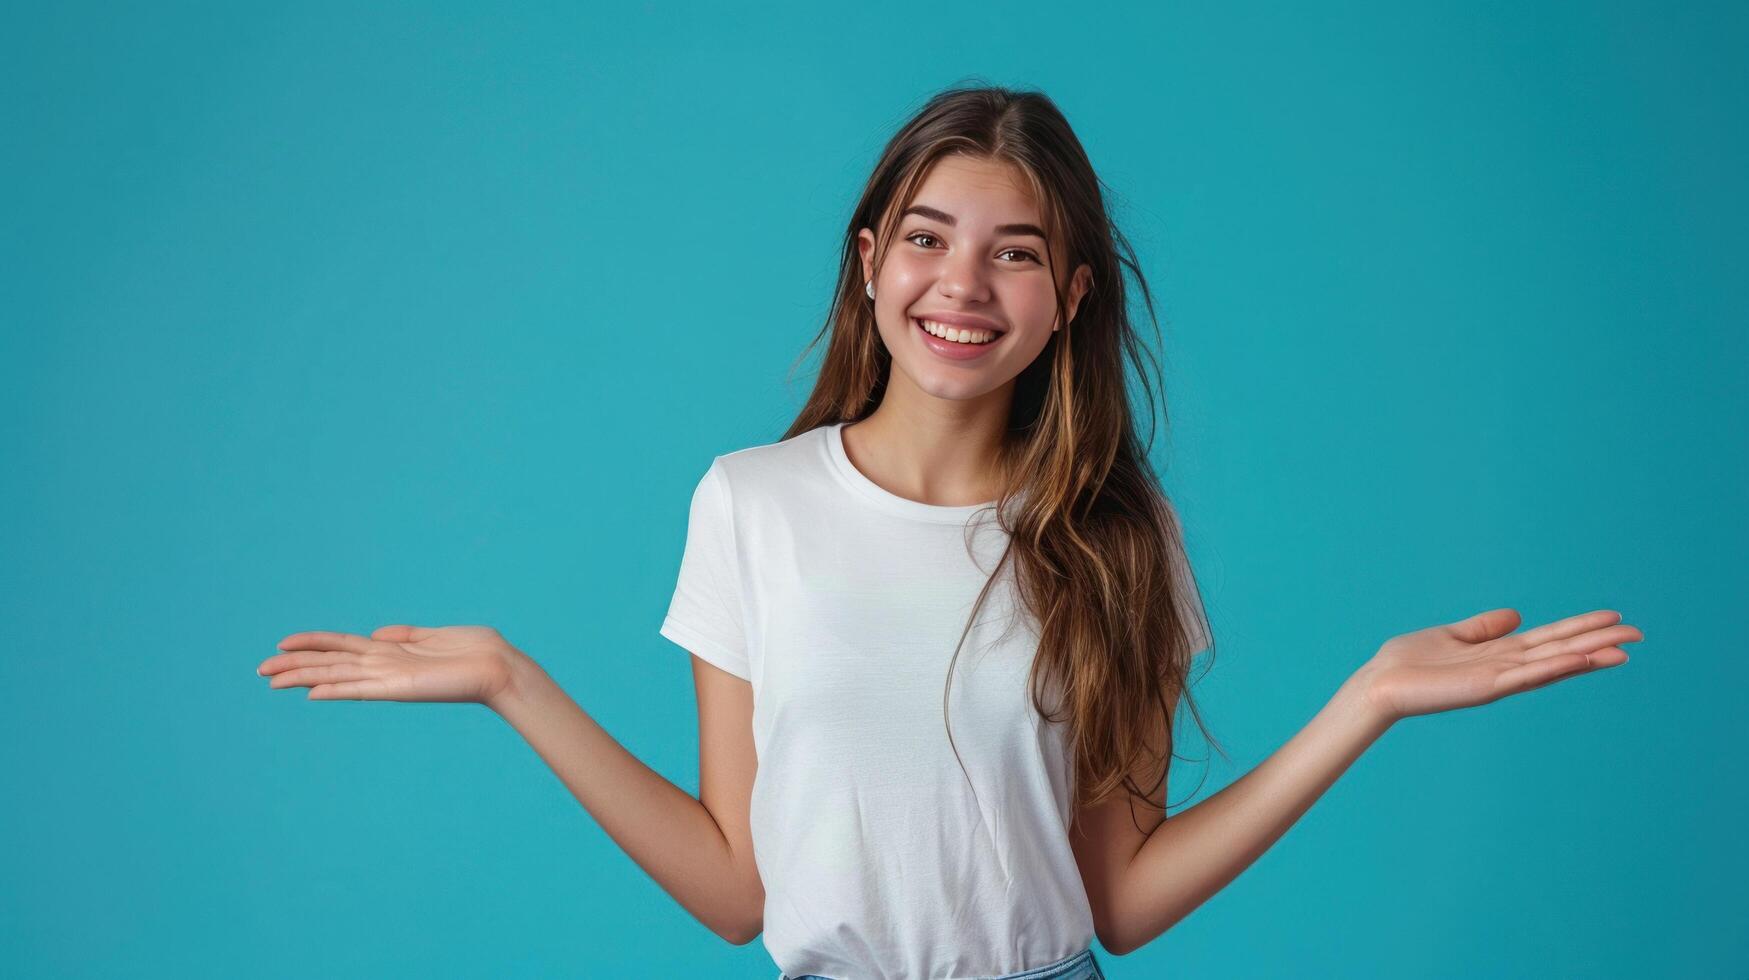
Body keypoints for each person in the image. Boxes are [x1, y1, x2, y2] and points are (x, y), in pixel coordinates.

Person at [257, 84, 1644, 980]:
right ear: (869, 267)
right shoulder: (751, 502)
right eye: (924, 239)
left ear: (1068, 299)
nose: (961, 284)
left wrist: (1368, 702)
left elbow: (1123, 899)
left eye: (1016, 251)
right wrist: (511, 683)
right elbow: (738, 894)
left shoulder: (1114, 531)